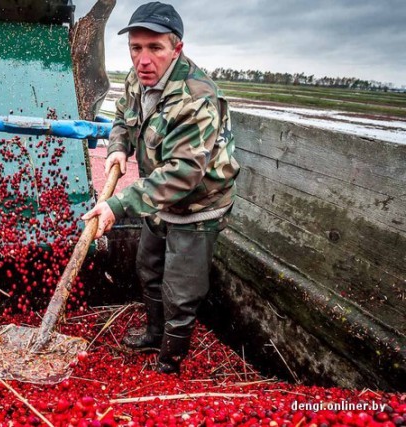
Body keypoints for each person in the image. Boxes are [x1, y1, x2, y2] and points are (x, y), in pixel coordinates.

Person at [82, 1, 240, 374]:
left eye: (155, 48)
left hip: (198, 205)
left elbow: (183, 173)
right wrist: (119, 148)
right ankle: (155, 333)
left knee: (181, 292)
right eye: (136, 48)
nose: (144, 59)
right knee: (148, 268)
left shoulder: (197, 98)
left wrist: (117, 205)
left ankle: (170, 363)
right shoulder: (139, 78)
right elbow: (122, 117)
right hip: (157, 199)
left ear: (177, 48)